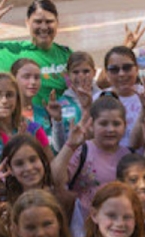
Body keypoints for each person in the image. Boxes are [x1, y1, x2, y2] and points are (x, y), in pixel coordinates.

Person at [0, 0, 71, 111]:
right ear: (27, 23)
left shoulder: (66, 55)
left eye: (49, 22)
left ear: (57, 23)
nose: (44, 27)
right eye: (38, 22)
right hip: (28, 126)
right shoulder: (12, 53)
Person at [53, 95, 131, 224]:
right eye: (103, 123)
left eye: (116, 124)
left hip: (117, 226)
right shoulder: (82, 151)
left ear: (125, 125)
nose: (110, 129)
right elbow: (56, 179)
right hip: (83, 228)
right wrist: (70, 146)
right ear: (92, 124)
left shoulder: (128, 155)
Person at [0, 72, 49, 164]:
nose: (4, 100)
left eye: (9, 95)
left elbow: (49, 164)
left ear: (17, 99)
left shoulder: (33, 129)